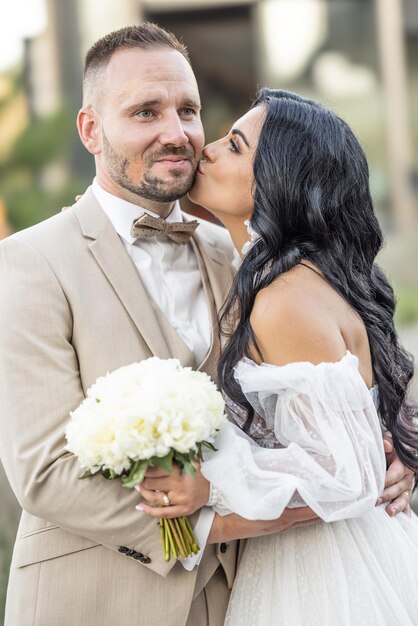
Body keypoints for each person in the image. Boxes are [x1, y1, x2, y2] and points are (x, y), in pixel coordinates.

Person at [0, 23, 412, 625]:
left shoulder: (245, 257)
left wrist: (397, 451)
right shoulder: (29, 264)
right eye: (145, 111)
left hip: (256, 595)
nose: (177, 133)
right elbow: (45, 473)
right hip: (98, 600)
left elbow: (353, 376)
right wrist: (216, 518)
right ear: (91, 129)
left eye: (188, 110)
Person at [138, 89, 418, 625]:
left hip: (327, 574)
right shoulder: (285, 280)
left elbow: (348, 473)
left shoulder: (283, 299)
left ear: (279, 182)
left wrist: (211, 486)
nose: (210, 149)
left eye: (235, 145)